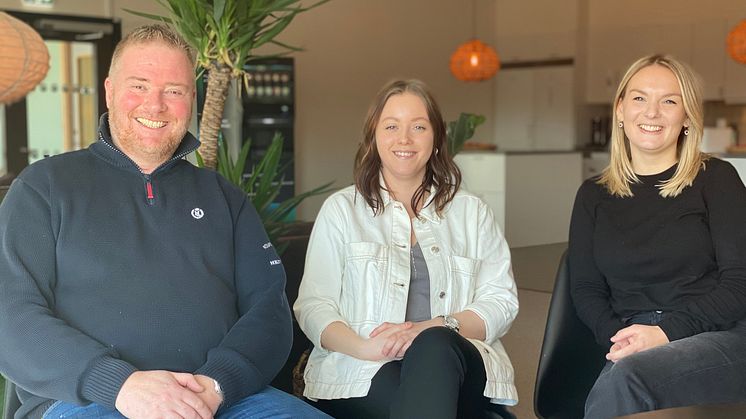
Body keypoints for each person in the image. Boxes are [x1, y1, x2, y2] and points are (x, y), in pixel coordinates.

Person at [0, 25, 328, 419]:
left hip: (224, 398)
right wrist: (119, 384)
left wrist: (216, 384)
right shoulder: (44, 188)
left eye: (173, 91)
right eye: (138, 86)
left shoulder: (224, 199)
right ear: (109, 90)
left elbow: (269, 310)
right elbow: (11, 314)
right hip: (90, 400)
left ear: (191, 99)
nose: (155, 106)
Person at [293, 79, 519, 419]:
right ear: (374, 137)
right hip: (364, 368)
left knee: (436, 345)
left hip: (459, 365)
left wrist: (431, 327)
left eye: (418, 127)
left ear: (436, 137)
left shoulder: (472, 213)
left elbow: (500, 301)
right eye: (391, 126)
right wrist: (367, 347)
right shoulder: (341, 210)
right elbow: (314, 306)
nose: (404, 139)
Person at [569, 54, 746, 418]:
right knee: (628, 377)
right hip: (632, 339)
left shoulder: (717, 178)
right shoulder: (593, 194)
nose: (652, 112)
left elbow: (740, 283)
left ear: (686, 116)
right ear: (620, 110)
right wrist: (620, 337)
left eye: (669, 101)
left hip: (718, 334)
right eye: (639, 98)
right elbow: (585, 288)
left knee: (626, 381)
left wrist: (663, 333)